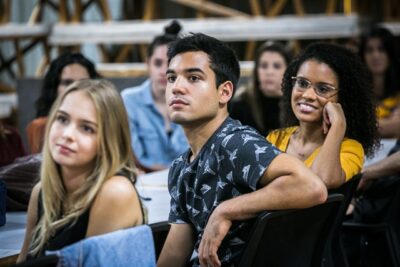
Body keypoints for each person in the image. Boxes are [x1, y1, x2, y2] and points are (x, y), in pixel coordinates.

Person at [157, 33, 328, 267]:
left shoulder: (234, 143)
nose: (177, 88)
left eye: (194, 78)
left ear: (224, 92)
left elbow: (313, 187)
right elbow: (174, 255)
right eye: (171, 78)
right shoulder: (180, 166)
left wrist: (226, 210)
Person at [17, 80, 144, 262]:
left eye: (86, 128)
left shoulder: (114, 192)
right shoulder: (41, 192)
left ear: (108, 141)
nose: (67, 134)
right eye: (62, 119)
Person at [267, 43, 380, 189]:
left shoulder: (350, 148)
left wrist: (338, 125)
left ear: (344, 98)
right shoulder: (276, 138)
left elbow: (319, 182)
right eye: (302, 83)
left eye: (322, 89)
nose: (308, 95)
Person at [121, 20, 188, 172]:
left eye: (170, 64)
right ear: (148, 64)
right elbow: (135, 157)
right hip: (145, 181)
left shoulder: (193, 100)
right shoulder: (129, 100)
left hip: (187, 183)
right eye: (158, 63)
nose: (164, 71)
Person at [26, 52, 99, 154]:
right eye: (68, 83)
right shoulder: (40, 127)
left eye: (83, 83)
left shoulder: (103, 124)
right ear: (54, 88)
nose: (75, 89)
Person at [230, 41, 292, 136]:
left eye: (277, 66)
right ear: (256, 71)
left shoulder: (296, 104)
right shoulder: (240, 104)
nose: (269, 72)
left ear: (288, 71)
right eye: (264, 66)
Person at [359, 26, 400, 138]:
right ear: (363, 55)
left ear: (390, 54)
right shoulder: (356, 90)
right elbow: (354, 129)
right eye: (369, 50)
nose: (375, 55)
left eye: (381, 49)